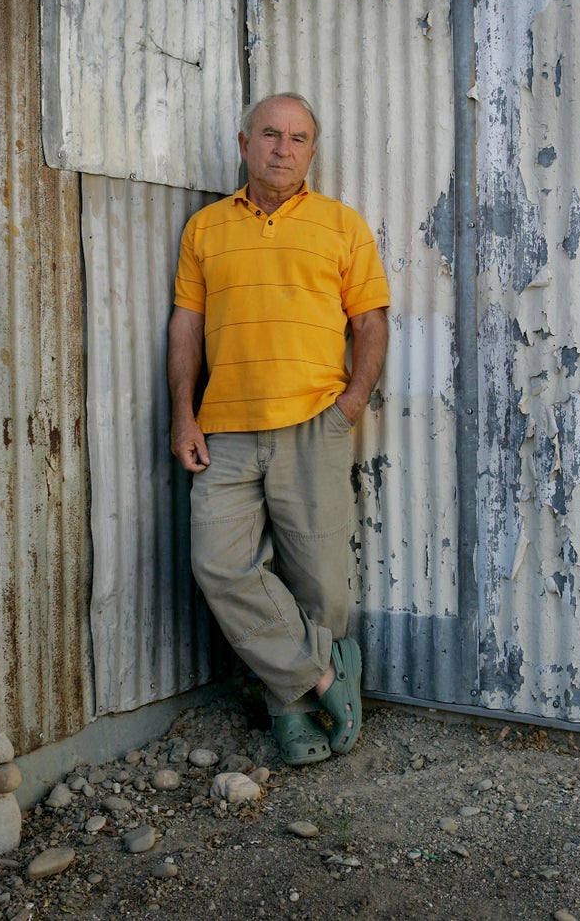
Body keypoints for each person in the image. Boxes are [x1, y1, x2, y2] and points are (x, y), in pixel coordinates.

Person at [168, 92, 389, 766]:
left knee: (318, 580)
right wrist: (183, 413)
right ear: (244, 144)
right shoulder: (205, 228)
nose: (283, 148)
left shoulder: (341, 225)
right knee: (219, 563)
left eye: (297, 138)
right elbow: (186, 327)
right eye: (270, 134)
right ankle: (324, 677)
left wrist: (349, 404)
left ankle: (291, 714)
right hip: (226, 427)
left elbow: (371, 323)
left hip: (312, 421)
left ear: (312, 152)